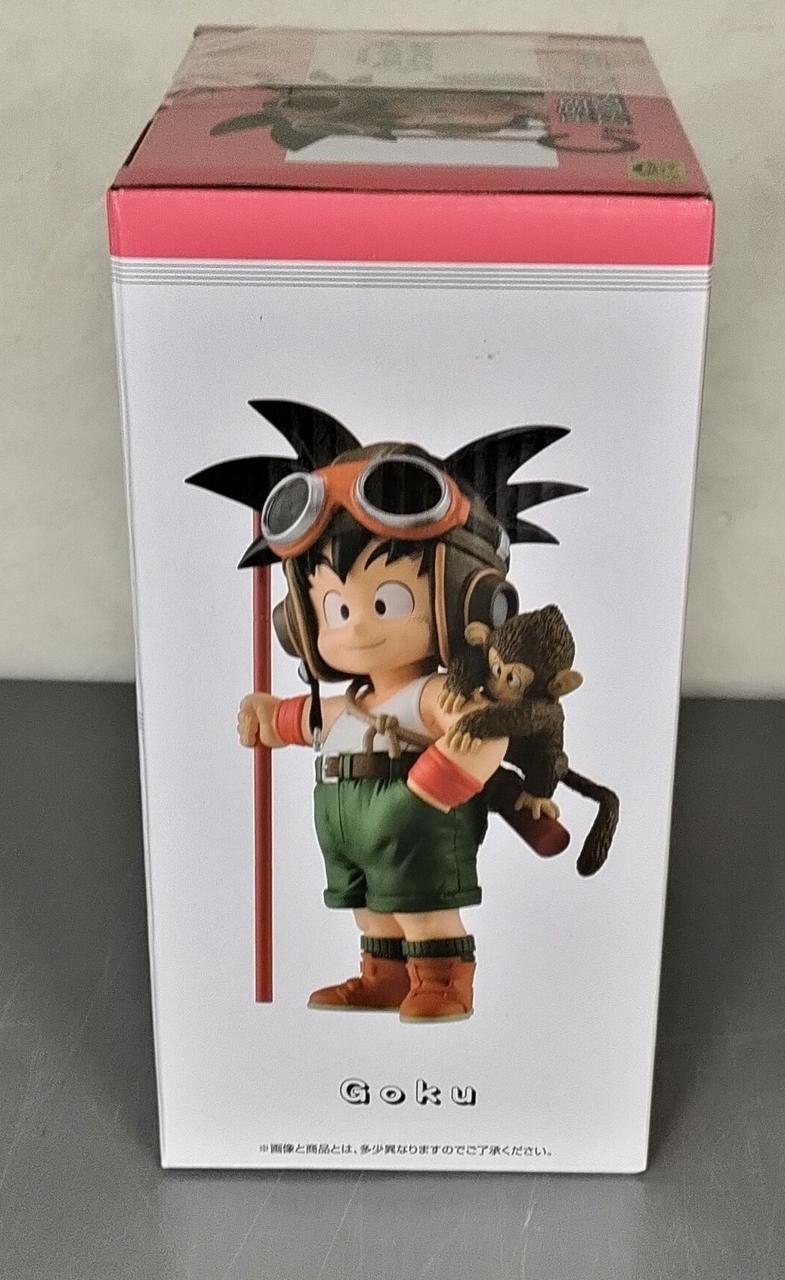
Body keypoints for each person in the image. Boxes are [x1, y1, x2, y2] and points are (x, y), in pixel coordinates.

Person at [188, 401, 580, 1022]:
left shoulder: (434, 695)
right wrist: (273, 719)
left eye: (386, 603)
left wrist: (423, 794)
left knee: (422, 907)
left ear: (468, 605)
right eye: (333, 609)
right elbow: (320, 720)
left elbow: (483, 737)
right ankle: (384, 976)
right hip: (344, 814)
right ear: (297, 623)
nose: (356, 628)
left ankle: (443, 981)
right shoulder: (356, 698)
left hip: (414, 811)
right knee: (369, 907)